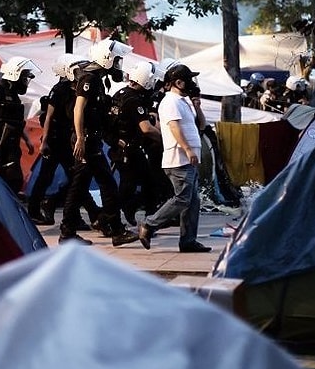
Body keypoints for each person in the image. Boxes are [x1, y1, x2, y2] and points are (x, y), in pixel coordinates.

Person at [58, 38, 139, 247]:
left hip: (91, 139)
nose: (119, 64)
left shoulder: (97, 79)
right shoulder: (90, 78)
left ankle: (79, 231)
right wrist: (80, 138)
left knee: (89, 186)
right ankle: (112, 230)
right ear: (107, 59)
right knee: (94, 186)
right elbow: (79, 108)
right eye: (117, 59)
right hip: (86, 140)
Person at [138, 63, 212, 253]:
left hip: (188, 159)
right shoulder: (170, 101)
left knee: (192, 202)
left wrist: (197, 106)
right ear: (178, 82)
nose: (192, 84)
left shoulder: (183, 102)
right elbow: (174, 128)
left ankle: (188, 240)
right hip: (179, 158)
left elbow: (201, 125)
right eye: (188, 80)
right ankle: (149, 224)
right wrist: (187, 149)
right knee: (182, 199)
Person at [24, 53, 86, 225]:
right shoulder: (59, 90)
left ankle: (61, 207)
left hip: (66, 140)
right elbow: (49, 117)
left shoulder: (75, 88)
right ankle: (34, 210)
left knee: (75, 177)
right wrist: (44, 142)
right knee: (46, 177)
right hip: (55, 140)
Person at [106, 60, 162, 226]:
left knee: (144, 182)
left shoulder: (121, 93)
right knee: (129, 186)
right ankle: (106, 218)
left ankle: (147, 216)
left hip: (122, 147)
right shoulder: (134, 100)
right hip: (128, 149)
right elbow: (146, 128)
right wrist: (164, 139)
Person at [0, 56, 37, 195]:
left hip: (12, 142)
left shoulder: (14, 95)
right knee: (6, 177)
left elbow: (16, 122)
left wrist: (27, 140)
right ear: (15, 74)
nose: (25, 81)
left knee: (13, 179)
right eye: (24, 77)